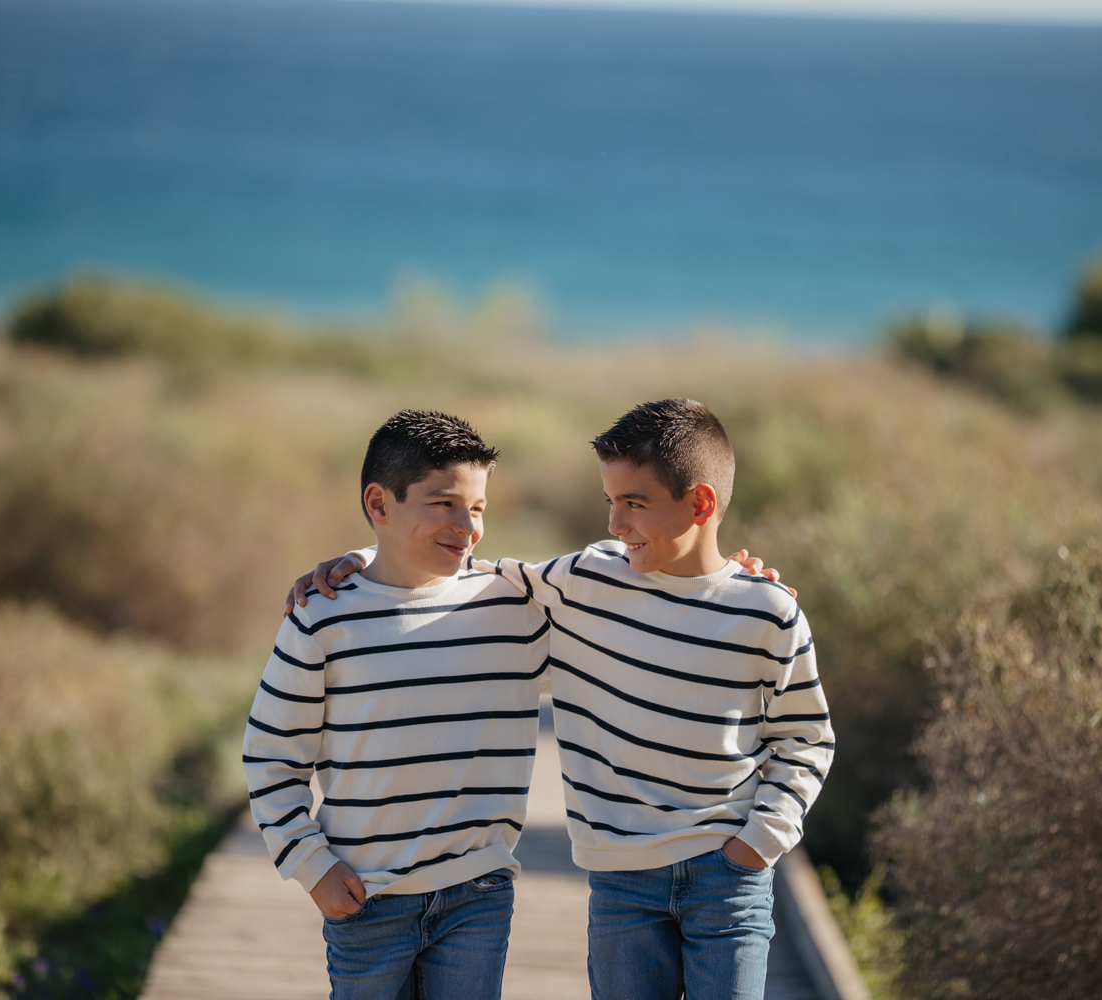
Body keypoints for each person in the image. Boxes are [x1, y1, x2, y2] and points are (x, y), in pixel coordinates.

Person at [293, 398, 833, 1000]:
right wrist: (361, 559)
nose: (615, 524)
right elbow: (448, 567)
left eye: (635, 504)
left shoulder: (769, 611)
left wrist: (758, 843)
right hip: (621, 881)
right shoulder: (585, 581)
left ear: (701, 504)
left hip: (729, 879)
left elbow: (806, 738)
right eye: (610, 503)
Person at [244, 409, 550, 1000]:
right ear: (378, 504)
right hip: (364, 896)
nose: (467, 526)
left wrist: (724, 575)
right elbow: (270, 756)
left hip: (476, 891)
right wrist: (312, 866)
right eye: (443, 504)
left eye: (479, 507)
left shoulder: (513, 609)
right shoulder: (322, 616)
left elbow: (628, 619)